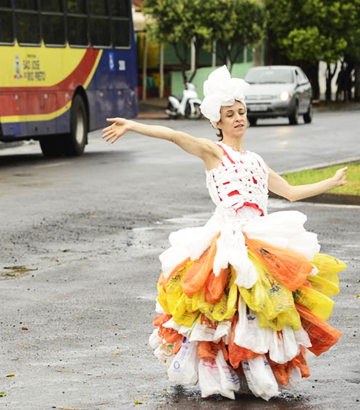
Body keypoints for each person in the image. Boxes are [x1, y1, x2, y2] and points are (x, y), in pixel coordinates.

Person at [101, 66, 348, 400]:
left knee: (258, 307)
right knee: (221, 306)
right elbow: (176, 136)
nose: (237, 119)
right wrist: (132, 125)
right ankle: (222, 370)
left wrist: (331, 182)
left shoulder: (257, 160)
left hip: (261, 238)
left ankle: (250, 368)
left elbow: (289, 192)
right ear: (217, 122)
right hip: (226, 237)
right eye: (229, 115)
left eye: (241, 112)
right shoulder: (214, 152)